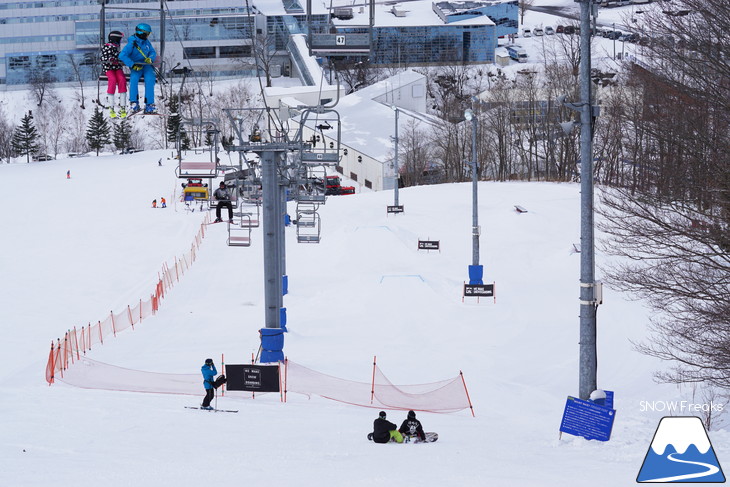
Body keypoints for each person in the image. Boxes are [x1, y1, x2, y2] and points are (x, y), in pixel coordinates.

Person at [119, 23, 157, 114]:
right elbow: (122, 55)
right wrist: (132, 65)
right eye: (147, 33)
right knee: (134, 80)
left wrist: (150, 58)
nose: (148, 36)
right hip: (137, 66)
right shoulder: (132, 43)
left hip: (146, 65)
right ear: (142, 33)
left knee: (150, 79)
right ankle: (134, 103)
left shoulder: (147, 42)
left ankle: (149, 104)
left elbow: (152, 52)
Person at [100, 30, 127, 118]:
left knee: (122, 79)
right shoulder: (106, 46)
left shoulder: (117, 47)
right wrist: (111, 60)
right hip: (109, 68)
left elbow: (119, 56)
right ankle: (111, 108)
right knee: (113, 80)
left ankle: (123, 107)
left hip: (117, 67)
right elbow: (103, 57)